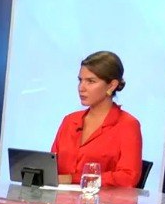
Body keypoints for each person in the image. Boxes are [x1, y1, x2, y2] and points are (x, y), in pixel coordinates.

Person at [51, 51, 143, 187]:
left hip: (102, 200)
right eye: (80, 80)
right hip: (60, 199)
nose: (81, 88)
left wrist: (73, 179)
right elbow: (51, 168)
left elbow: (128, 177)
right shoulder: (69, 121)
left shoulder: (127, 125)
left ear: (111, 85)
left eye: (91, 81)